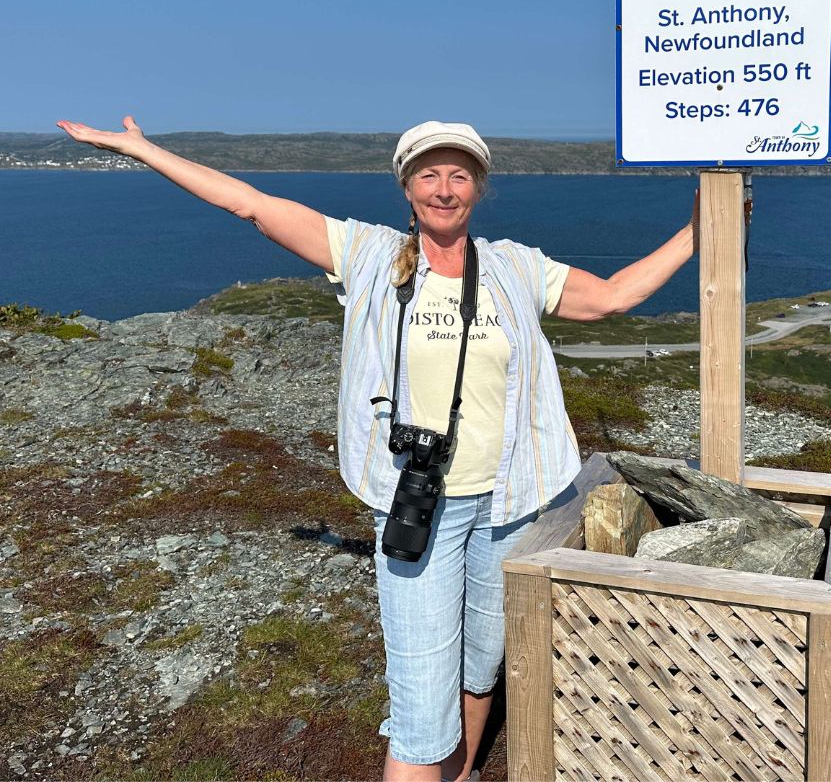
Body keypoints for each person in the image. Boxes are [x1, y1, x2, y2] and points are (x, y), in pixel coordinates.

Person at [55, 116, 699, 781]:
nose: (444, 190)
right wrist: (140, 149)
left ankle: (464, 772)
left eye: (458, 175)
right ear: (406, 187)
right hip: (422, 503)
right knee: (422, 705)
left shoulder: (515, 267)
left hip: (512, 500)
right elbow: (249, 204)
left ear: (477, 188)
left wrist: (699, 229)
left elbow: (616, 297)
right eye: (429, 175)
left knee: (481, 665)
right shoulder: (365, 255)